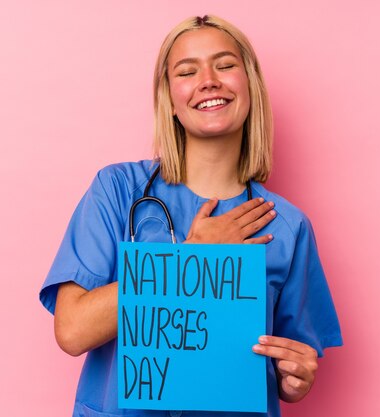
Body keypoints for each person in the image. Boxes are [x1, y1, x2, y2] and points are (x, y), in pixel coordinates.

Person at [39, 14, 342, 417]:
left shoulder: (287, 226)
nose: (209, 80)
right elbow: (73, 331)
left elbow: (290, 361)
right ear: (170, 100)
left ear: (249, 86)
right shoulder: (117, 191)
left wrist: (295, 379)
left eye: (226, 64)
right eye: (187, 70)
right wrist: (191, 256)